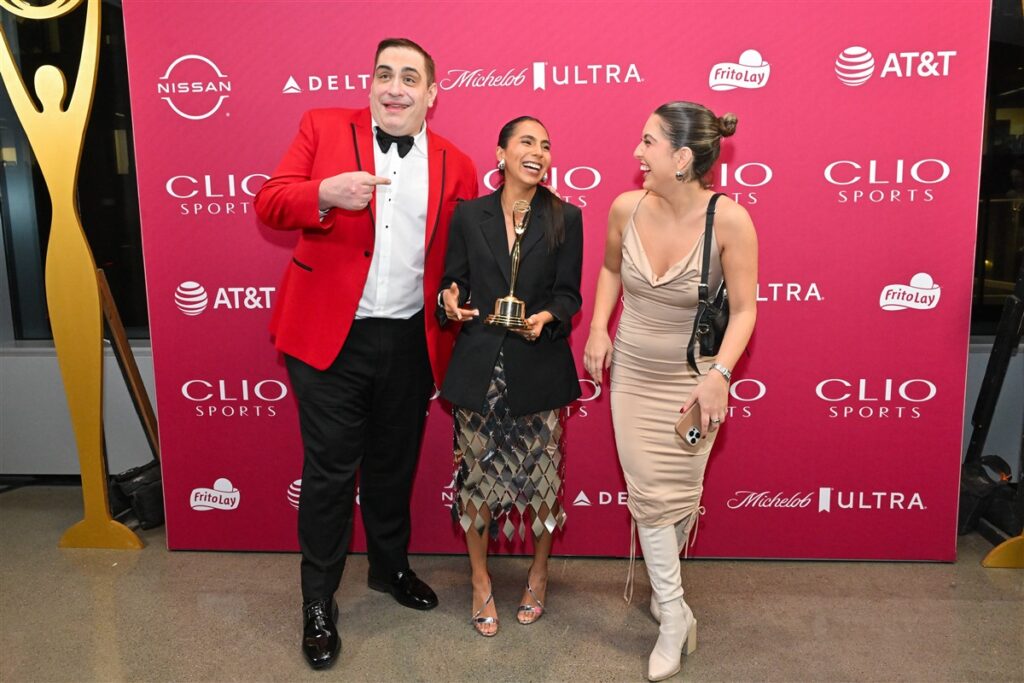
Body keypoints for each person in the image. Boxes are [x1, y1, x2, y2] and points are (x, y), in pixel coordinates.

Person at [254, 38, 478, 670]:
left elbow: (458, 257)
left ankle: (389, 567)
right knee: (330, 472)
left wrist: (456, 293)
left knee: (392, 466)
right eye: (384, 74)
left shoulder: (457, 164)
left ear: (432, 93)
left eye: (410, 77)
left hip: (409, 339)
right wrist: (324, 193)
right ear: (371, 83)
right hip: (329, 336)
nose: (395, 87)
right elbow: (269, 202)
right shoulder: (322, 127)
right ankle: (318, 601)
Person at [583, 102, 757, 681]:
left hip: (693, 382)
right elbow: (611, 270)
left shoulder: (730, 221)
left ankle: (667, 595)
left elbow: (745, 310)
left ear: (682, 158)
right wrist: (599, 328)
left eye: (648, 142)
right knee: (650, 498)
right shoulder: (626, 208)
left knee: (678, 498)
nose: (637, 152)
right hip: (633, 378)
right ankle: (674, 618)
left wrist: (720, 375)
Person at [437, 116, 583, 636]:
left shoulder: (565, 217)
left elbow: (569, 295)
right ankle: (480, 580)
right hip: (480, 368)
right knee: (475, 482)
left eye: (546, 145)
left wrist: (548, 317)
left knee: (542, 482)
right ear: (500, 153)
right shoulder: (468, 215)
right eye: (527, 142)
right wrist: (449, 299)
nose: (538, 152)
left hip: (537, 367)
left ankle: (538, 576)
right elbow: (452, 281)